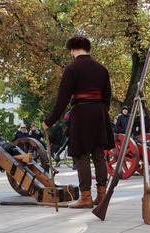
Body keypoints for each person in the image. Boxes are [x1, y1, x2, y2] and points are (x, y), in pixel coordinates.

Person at [42, 36, 114, 208]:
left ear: (73, 50)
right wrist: (101, 112)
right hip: (99, 113)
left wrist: (50, 121)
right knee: (98, 155)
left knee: (81, 155)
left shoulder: (71, 69)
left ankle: (86, 197)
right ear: (88, 49)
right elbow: (107, 96)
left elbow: (63, 99)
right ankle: (102, 195)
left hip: (81, 114)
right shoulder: (102, 69)